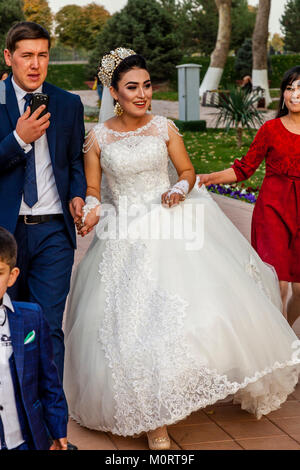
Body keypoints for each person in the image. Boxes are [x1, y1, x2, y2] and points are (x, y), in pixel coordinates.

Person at [64, 49, 300, 451]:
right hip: (124, 237)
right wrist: (88, 208)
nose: (142, 94)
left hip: (172, 224)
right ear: (114, 93)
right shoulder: (98, 138)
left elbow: (187, 171)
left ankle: (174, 397)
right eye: (132, 88)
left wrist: (177, 187)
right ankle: (152, 420)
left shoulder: (165, 128)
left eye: (147, 85)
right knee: (129, 324)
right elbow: (92, 189)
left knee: (186, 316)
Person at [0, 22, 86, 386]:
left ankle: (53, 432)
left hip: (53, 230)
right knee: (7, 323)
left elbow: (75, 162)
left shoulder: (68, 103)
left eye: (42, 56)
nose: (35, 64)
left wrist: (79, 195)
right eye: (27, 56)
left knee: (48, 328)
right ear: (8, 57)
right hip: (5, 232)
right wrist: (19, 139)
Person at [198, 66, 300, 328]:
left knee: (299, 291)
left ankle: (284, 330)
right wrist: (209, 178)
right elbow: (244, 169)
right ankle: (281, 343)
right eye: (290, 88)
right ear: (283, 95)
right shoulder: (270, 129)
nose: (294, 94)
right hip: (272, 211)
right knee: (277, 282)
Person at [0, 226, 68, 450]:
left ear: (12, 276)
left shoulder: (31, 318)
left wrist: (58, 429)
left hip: (24, 441)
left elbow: (49, 380)